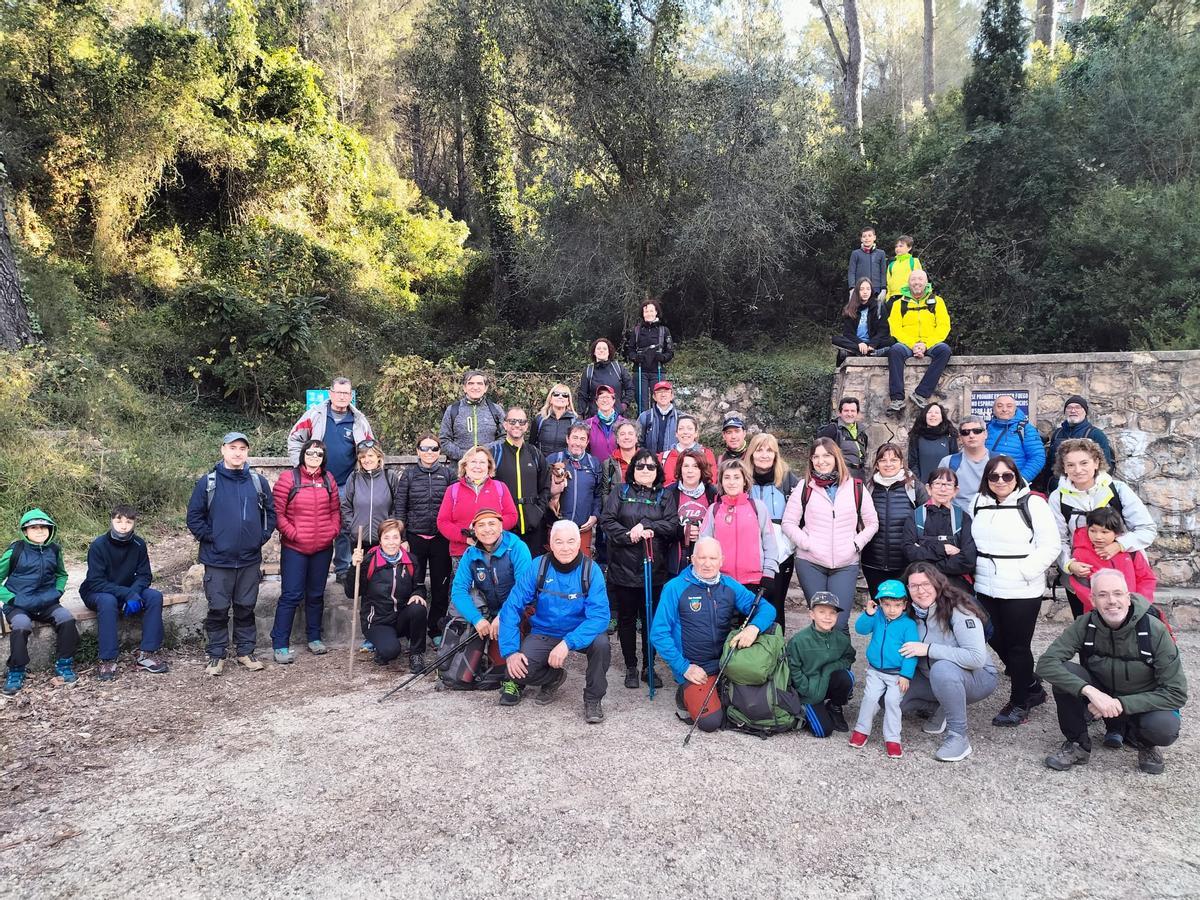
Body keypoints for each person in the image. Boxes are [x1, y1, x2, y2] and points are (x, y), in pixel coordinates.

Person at [1037, 569, 1186, 776]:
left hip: (1140, 701)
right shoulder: (1085, 623)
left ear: (1128, 596)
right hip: (1099, 696)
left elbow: (1176, 693)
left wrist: (1119, 704)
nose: (1111, 601)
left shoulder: (1154, 629)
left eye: (1117, 593)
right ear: (1093, 599)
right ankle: (1077, 744)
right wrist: (1091, 692)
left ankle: (1145, 743)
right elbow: (1046, 664)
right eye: (1103, 594)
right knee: (1065, 673)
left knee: (1163, 727)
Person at [970, 455, 1060, 727]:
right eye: (994, 476)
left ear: (1016, 476)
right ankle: (1031, 683)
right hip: (986, 585)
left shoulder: (1032, 504)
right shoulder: (978, 502)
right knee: (993, 637)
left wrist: (1025, 571)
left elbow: (1050, 545)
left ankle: (1020, 701)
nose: (1000, 481)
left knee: (1018, 647)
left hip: (1021, 587)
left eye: (1006, 476)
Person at [650, 537, 776, 727]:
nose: (707, 564)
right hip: (695, 667)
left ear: (721, 560)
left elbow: (767, 609)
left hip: (728, 662)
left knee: (760, 710)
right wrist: (684, 667)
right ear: (692, 559)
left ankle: (719, 690)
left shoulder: (729, 585)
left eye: (713, 558)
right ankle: (685, 691)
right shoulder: (674, 588)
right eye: (702, 558)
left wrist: (753, 628)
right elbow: (658, 633)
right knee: (710, 722)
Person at [498, 521, 611, 723]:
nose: (565, 548)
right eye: (559, 542)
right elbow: (512, 607)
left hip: (579, 631)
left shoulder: (591, 571)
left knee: (602, 643)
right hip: (545, 630)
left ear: (579, 543)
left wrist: (567, 643)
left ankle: (593, 699)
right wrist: (510, 651)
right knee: (515, 671)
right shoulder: (538, 566)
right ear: (550, 543)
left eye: (570, 541)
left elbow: (600, 617)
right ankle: (554, 677)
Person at [186, 432, 277, 676]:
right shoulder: (208, 482)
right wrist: (212, 538)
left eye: (242, 448)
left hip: (249, 560)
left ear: (247, 452)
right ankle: (216, 655)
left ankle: (246, 652)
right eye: (233, 447)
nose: (238, 452)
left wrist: (262, 537)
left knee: (246, 607)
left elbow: (270, 513)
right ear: (223, 450)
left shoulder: (258, 482)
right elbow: (194, 517)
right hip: (217, 561)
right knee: (218, 608)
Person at [898, 562, 998, 762]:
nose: (921, 590)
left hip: (977, 676)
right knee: (888, 698)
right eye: (914, 585)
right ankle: (943, 706)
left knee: (942, 670)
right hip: (930, 676)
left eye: (926, 584)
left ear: (937, 583)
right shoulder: (907, 612)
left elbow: (976, 658)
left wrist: (928, 649)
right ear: (907, 589)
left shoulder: (958, 610)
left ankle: (958, 737)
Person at [599, 448, 680, 690]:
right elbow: (607, 521)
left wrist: (647, 525)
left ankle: (648, 666)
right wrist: (629, 536)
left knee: (650, 620)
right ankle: (631, 666)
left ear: (658, 471)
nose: (645, 470)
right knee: (625, 619)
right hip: (623, 567)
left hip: (653, 568)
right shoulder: (620, 492)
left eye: (651, 467)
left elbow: (673, 524)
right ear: (632, 469)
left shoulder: (665, 496)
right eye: (640, 466)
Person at [1050, 437, 1156, 618]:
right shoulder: (1058, 498)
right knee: (1087, 627)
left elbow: (1147, 529)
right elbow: (1058, 539)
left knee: (1128, 624)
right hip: (1083, 576)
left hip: (1124, 572)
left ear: (1096, 462)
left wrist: (1119, 544)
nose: (1078, 470)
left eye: (1084, 463)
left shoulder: (1118, 490)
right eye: (1071, 465)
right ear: (1064, 468)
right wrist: (1069, 564)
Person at [782, 438, 879, 633]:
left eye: (826, 455)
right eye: (816, 456)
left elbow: (872, 523)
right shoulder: (804, 487)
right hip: (811, 563)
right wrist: (806, 543)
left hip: (845, 564)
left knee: (840, 622)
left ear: (836, 457)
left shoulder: (856, 487)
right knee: (820, 621)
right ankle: (818, 662)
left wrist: (856, 544)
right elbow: (788, 523)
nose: (821, 461)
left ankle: (842, 664)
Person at [287, 377, 373, 581]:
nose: (343, 397)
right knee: (316, 524)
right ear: (331, 393)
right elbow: (294, 438)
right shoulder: (315, 415)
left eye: (347, 393)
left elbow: (370, 448)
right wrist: (300, 467)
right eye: (339, 392)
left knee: (344, 527)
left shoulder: (359, 420)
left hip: (346, 482)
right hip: (317, 482)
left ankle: (342, 569)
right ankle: (314, 570)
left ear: (351, 395)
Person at [270, 439, 342, 664]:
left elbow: (335, 511)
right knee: (291, 595)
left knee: (316, 595)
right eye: (310, 453)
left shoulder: (328, 480)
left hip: (322, 548)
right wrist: (294, 534)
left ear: (323, 458)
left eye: (318, 454)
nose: (314, 457)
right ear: (302, 455)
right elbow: (277, 513)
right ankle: (280, 643)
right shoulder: (288, 479)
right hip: (295, 548)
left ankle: (314, 638)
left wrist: (332, 531)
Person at [80, 505, 169, 681]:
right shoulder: (98, 545)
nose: (123, 525)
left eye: (128, 521)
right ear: (111, 521)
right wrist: (128, 595)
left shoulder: (139, 544)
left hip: (128, 589)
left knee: (154, 596)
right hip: (97, 591)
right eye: (118, 520)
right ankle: (108, 659)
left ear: (134, 523)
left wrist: (133, 593)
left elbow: (144, 575)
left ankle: (147, 654)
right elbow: (96, 581)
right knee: (108, 601)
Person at [2, 509, 74, 695]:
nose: (40, 531)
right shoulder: (15, 551)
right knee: (21, 625)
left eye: (44, 527)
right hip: (18, 603)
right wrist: (11, 598)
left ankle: (64, 664)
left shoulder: (55, 550)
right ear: (25, 531)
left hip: (46, 602)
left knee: (66, 618)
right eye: (34, 527)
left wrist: (58, 591)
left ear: (51, 530)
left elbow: (61, 574)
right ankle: (17, 670)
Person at [395, 434, 456, 642]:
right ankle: (414, 630)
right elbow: (400, 508)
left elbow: (455, 507)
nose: (429, 453)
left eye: (434, 449)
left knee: (440, 586)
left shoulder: (449, 475)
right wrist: (402, 536)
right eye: (425, 448)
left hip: (441, 539)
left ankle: (435, 629)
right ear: (418, 451)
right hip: (415, 538)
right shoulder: (409, 475)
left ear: (440, 452)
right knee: (414, 584)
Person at [849, 580, 920, 758]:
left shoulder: (909, 625)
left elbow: (912, 651)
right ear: (880, 603)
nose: (891, 609)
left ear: (904, 604)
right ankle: (861, 730)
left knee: (892, 701)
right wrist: (869, 614)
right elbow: (860, 629)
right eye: (887, 604)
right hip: (875, 670)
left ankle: (893, 739)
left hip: (897, 673)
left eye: (897, 605)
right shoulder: (878, 616)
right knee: (870, 698)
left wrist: (906, 675)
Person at [347, 518, 427, 672]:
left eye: (395, 537)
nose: (391, 542)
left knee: (419, 607)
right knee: (390, 651)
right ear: (380, 540)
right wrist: (353, 566)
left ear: (401, 539)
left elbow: (419, 586)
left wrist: (418, 594)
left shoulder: (410, 560)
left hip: (401, 617)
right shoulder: (369, 561)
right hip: (378, 621)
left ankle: (416, 654)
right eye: (386, 538)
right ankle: (383, 648)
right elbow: (351, 593)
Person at [449, 509, 534, 644]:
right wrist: (476, 619)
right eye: (481, 525)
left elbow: (523, 590)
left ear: (501, 527)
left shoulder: (518, 548)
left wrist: (503, 615)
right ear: (475, 531)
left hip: (516, 610)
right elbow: (458, 591)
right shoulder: (470, 554)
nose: (487, 529)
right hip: (487, 614)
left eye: (492, 524)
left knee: (510, 659)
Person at [699, 459, 778, 594]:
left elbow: (770, 542)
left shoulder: (758, 507)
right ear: (721, 481)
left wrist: (769, 572)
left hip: (754, 581)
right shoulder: (714, 510)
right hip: (720, 581)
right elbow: (703, 544)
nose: (731, 482)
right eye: (727, 477)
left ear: (744, 481)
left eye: (737, 477)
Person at [747, 432, 800, 633]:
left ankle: (776, 651)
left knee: (776, 604)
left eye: (769, 450)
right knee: (751, 604)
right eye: (759, 449)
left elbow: (800, 513)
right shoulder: (742, 478)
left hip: (781, 553)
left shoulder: (788, 479)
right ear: (751, 453)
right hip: (750, 552)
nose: (764, 454)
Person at [862, 443, 928, 598]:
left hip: (905, 563)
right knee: (879, 605)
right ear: (877, 464)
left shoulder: (914, 487)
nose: (888, 464)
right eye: (883, 460)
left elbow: (928, 518)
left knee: (903, 607)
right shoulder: (869, 487)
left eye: (894, 460)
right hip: (873, 562)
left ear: (901, 462)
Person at [785, 591, 856, 737]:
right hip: (809, 690)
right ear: (812, 614)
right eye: (821, 612)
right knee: (823, 731)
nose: (827, 617)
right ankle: (804, 708)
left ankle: (834, 706)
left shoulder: (841, 639)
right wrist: (805, 689)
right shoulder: (799, 640)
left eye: (832, 613)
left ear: (837, 616)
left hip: (827, 681)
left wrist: (830, 668)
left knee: (847, 677)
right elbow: (793, 668)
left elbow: (849, 657)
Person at [902, 467, 978, 593]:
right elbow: (909, 552)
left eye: (948, 485)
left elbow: (968, 559)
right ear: (928, 488)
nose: (943, 489)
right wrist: (944, 549)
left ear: (955, 491)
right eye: (937, 484)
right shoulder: (916, 516)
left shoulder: (963, 518)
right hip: (922, 587)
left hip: (956, 587)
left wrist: (928, 563)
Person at [885, 269, 951, 413]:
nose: (917, 283)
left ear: (926, 282)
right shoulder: (899, 303)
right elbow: (895, 328)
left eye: (920, 279)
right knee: (894, 350)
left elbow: (943, 326)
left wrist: (925, 344)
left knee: (944, 350)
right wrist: (913, 345)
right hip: (908, 343)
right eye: (914, 279)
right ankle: (897, 399)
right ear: (909, 283)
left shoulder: (937, 301)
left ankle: (921, 394)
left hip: (930, 343)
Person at [436, 446, 519, 558]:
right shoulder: (453, 490)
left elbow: (512, 516)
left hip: (496, 551)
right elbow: (443, 522)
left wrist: (490, 532)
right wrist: (465, 538)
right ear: (465, 465)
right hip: (463, 552)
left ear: (488, 466)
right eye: (473, 462)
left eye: (482, 462)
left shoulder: (500, 487)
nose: (477, 466)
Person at [488, 407, 551, 553]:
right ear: (505, 425)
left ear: (527, 426)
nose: (517, 425)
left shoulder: (535, 453)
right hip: (505, 525)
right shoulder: (495, 453)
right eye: (513, 421)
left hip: (533, 524)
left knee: (532, 570)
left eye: (521, 421)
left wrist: (538, 510)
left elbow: (545, 486)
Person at [1067, 508, 1156, 611]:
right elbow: (1081, 585)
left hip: (1134, 609)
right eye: (1092, 531)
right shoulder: (1081, 554)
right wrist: (1102, 606)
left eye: (1105, 532)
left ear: (1117, 533)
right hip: (1099, 612)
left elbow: (1146, 578)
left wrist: (1138, 604)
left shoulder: (1130, 552)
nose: (1098, 536)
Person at [546, 423, 602, 556]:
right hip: (556, 527)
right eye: (575, 438)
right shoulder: (554, 460)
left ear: (587, 442)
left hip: (583, 528)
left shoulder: (594, 463)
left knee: (582, 568)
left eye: (582, 439)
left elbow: (598, 494)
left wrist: (595, 515)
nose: (578, 443)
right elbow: (541, 490)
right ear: (567, 439)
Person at [1042, 395, 1115, 492]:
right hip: (1059, 487)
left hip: (1085, 488)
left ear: (1085, 412)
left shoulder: (1095, 434)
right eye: (1069, 408)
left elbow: (1105, 466)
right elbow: (1050, 464)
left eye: (1077, 407)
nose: (1073, 411)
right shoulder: (1057, 433)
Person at [340, 440, 400, 556]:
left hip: (385, 541)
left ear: (379, 456)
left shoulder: (390, 476)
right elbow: (345, 505)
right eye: (362, 457)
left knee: (381, 573)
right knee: (360, 573)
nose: (366, 460)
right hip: (359, 542)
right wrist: (353, 526)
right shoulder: (354, 477)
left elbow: (398, 505)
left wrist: (390, 527)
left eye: (370, 455)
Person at [666, 449, 718, 577]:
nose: (690, 471)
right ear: (680, 469)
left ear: (702, 470)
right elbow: (662, 524)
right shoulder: (669, 493)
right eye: (686, 466)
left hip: (705, 556)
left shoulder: (713, 493)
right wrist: (682, 530)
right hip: (676, 556)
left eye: (695, 466)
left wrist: (702, 531)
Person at [439, 370, 506, 463]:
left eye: (479, 383)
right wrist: (465, 455)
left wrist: (485, 450)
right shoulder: (453, 410)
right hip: (459, 469)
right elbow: (444, 441)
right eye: (470, 383)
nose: (475, 387)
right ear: (464, 388)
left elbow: (505, 438)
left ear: (485, 388)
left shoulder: (496, 410)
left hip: (488, 467)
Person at [624, 298, 675, 412]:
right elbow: (630, 351)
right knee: (642, 404)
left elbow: (670, 352)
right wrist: (635, 358)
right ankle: (642, 427)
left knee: (659, 402)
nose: (649, 314)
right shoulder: (636, 331)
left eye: (651, 311)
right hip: (640, 371)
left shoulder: (664, 330)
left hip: (657, 370)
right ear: (642, 314)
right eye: (646, 311)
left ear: (656, 312)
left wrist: (663, 358)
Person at [985, 395, 1045, 484]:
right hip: (989, 482)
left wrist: (1021, 480)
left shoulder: (1026, 429)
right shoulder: (986, 429)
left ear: (1015, 409)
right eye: (999, 406)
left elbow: (1037, 457)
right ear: (993, 409)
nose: (1004, 409)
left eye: (1009, 406)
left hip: (1014, 483)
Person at [939, 414, 992, 514]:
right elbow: (938, 494)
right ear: (960, 437)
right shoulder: (948, 462)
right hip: (958, 520)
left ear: (985, 434)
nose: (971, 435)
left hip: (990, 518)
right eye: (965, 432)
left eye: (977, 431)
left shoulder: (999, 461)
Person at [832, 277, 891, 364]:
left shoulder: (879, 306)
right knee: (835, 339)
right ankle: (868, 353)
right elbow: (848, 333)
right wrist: (859, 343)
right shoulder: (850, 308)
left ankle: (859, 351)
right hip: (856, 343)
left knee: (892, 341)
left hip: (872, 342)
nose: (865, 292)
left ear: (871, 291)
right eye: (862, 289)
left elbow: (883, 330)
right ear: (857, 292)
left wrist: (872, 344)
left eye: (868, 289)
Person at [577, 338, 634, 416]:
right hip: (595, 416)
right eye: (598, 348)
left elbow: (630, 388)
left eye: (604, 348)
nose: (601, 350)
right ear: (594, 352)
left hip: (617, 415)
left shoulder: (618, 368)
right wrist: (581, 415)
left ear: (609, 352)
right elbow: (583, 395)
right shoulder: (588, 371)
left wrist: (624, 405)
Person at [816, 397, 868, 480]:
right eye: (846, 411)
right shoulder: (832, 429)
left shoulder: (861, 432)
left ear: (857, 413)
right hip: (840, 475)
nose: (849, 414)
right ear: (840, 413)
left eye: (853, 411)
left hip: (859, 475)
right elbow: (819, 452)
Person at [659, 415, 716, 487]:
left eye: (689, 428)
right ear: (676, 433)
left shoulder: (706, 454)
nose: (685, 432)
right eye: (681, 428)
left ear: (696, 433)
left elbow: (711, 483)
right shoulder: (663, 457)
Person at [907, 402, 957, 484]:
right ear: (924, 416)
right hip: (923, 487)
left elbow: (954, 463)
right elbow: (913, 464)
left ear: (942, 418)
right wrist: (920, 485)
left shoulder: (949, 437)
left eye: (937, 413)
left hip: (945, 486)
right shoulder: (916, 437)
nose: (933, 415)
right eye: (929, 412)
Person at [532, 383, 580, 457]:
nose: (560, 397)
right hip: (542, 464)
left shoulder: (575, 421)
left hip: (565, 465)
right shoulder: (540, 419)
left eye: (564, 395)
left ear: (568, 401)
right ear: (550, 399)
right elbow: (532, 444)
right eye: (556, 394)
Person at [600, 421, 639, 505]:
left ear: (636, 438)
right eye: (622, 434)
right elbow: (605, 493)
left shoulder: (646, 461)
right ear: (617, 440)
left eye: (630, 433)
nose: (626, 437)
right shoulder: (608, 464)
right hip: (617, 512)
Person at [636, 381, 680, 456]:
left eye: (666, 391)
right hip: (651, 463)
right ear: (654, 397)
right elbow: (637, 442)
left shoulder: (680, 417)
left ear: (672, 396)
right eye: (659, 392)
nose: (663, 395)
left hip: (674, 462)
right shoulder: (645, 417)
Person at [585, 385, 627, 463]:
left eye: (608, 397)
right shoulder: (588, 424)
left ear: (613, 400)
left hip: (618, 471)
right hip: (596, 471)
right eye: (601, 397)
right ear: (596, 402)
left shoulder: (624, 423)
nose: (604, 400)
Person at [847, 226, 887, 301]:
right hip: (860, 290)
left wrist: (883, 289)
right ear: (861, 239)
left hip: (876, 290)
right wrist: (852, 289)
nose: (867, 238)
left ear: (874, 237)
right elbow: (851, 272)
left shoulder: (881, 253)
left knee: (876, 312)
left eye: (869, 235)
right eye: (864, 236)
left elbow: (883, 272)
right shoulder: (855, 253)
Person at [885, 234, 923, 301]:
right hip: (893, 298)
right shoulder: (891, 265)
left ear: (909, 248)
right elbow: (888, 283)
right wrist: (888, 298)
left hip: (908, 296)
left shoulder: (914, 261)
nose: (898, 248)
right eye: (896, 246)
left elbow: (921, 280)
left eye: (901, 246)